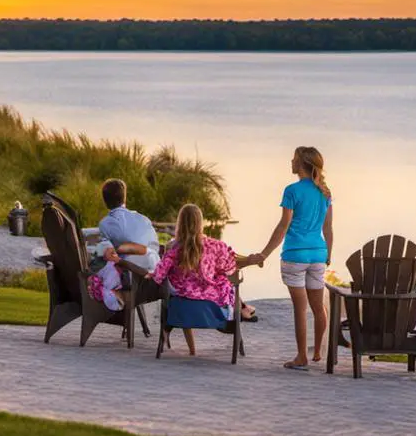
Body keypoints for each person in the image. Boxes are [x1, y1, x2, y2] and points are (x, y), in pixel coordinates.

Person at [249, 146, 334, 371]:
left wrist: (264, 254)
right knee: (318, 308)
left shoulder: (291, 191)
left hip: (295, 256)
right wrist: (329, 254)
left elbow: (282, 227)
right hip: (317, 255)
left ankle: (301, 357)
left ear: (302, 164)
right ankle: (317, 351)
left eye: (294, 159)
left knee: (300, 309)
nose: (291, 162)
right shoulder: (325, 192)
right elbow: (328, 228)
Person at [142, 204, 262, 355]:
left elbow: (159, 274)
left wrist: (150, 274)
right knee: (227, 284)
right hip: (210, 300)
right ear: (200, 223)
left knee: (175, 286)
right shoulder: (216, 246)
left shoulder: (174, 247)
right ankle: (243, 308)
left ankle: (174, 336)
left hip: (183, 299)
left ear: (180, 223)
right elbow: (230, 269)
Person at [96, 179, 161, 271]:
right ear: (124, 198)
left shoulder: (105, 224)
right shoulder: (143, 219)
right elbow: (155, 247)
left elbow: (104, 255)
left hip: (130, 273)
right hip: (153, 269)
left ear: (105, 201)